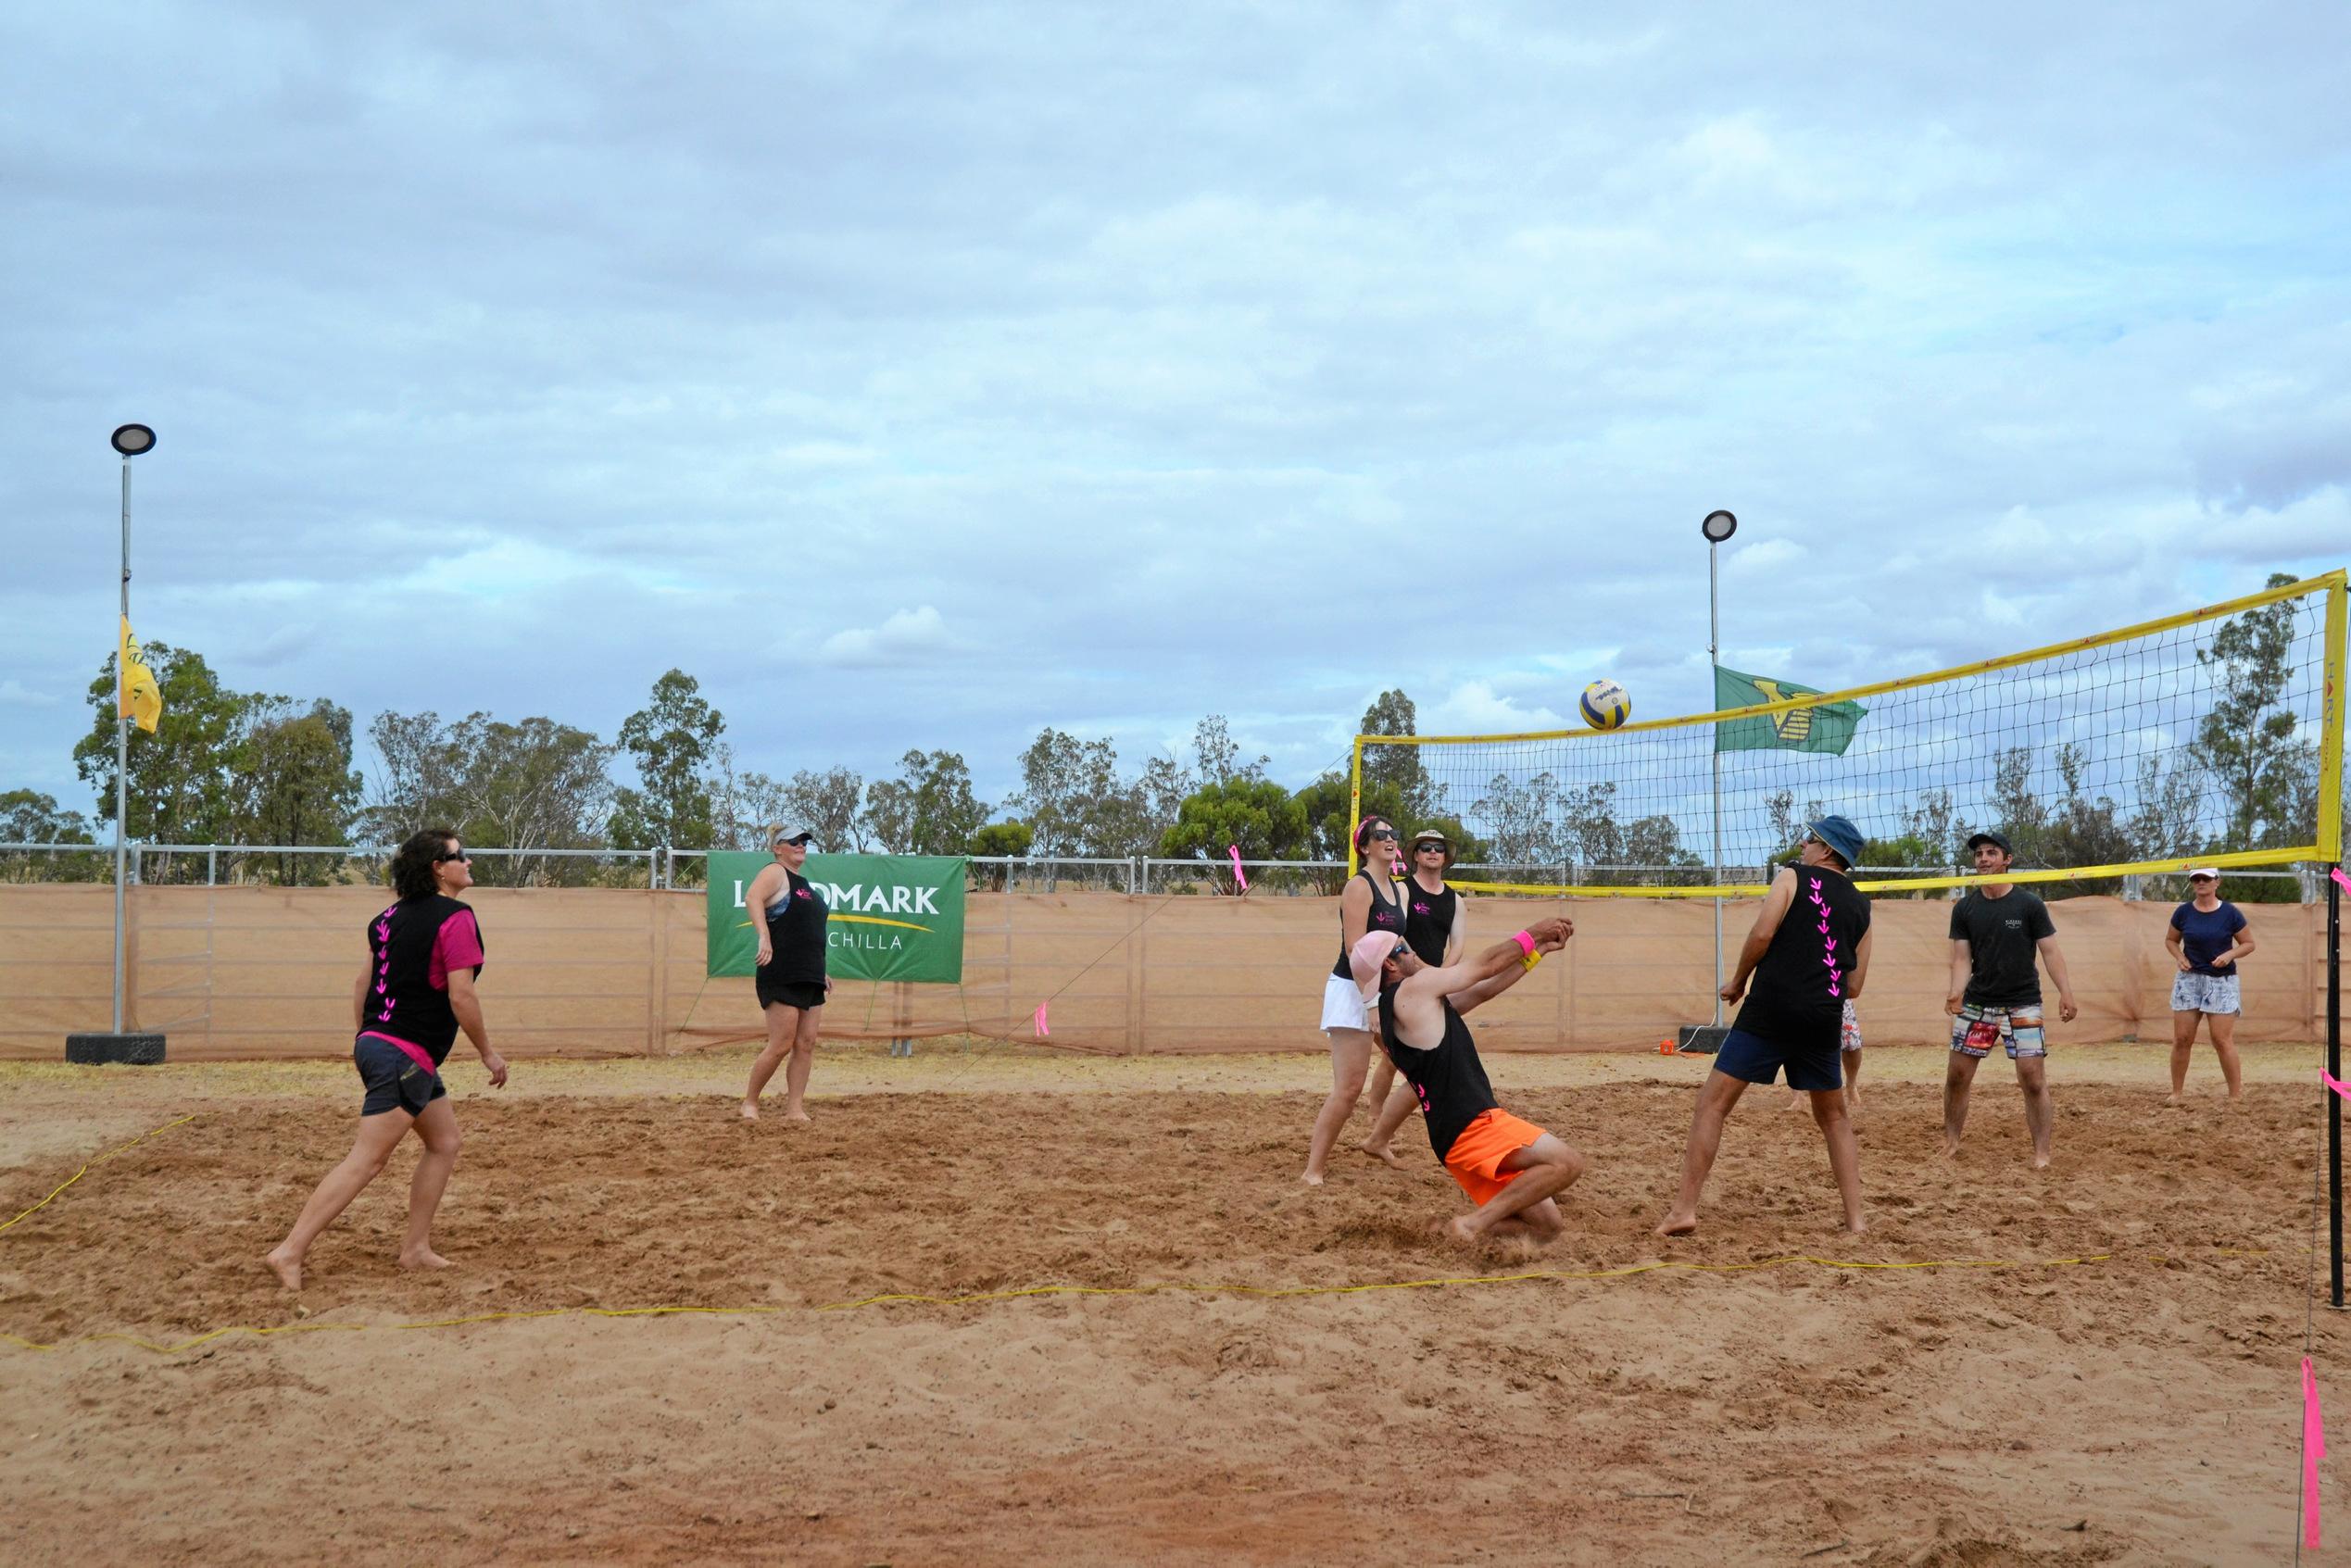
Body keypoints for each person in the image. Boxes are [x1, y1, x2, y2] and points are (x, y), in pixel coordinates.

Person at [266, 829, 507, 1291]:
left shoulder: (386, 918)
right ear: (439, 866)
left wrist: (365, 1039)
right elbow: (462, 994)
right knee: (368, 1160)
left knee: (445, 1142)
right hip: (404, 1052)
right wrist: (487, 1053)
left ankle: (415, 1249)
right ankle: (289, 1251)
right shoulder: (456, 917)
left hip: (384, 1045)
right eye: (462, 856)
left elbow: (362, 984)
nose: (469, 863)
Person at [1657, 816, 1873, 1237]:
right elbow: (1855, 985)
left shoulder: (1793, 877)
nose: (1802, 846)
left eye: (1809, 840)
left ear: (1826, 850)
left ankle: (1684, 1210)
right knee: (1834, 1120)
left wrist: (1738, 981)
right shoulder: (1863, 905)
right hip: (1823, 1017)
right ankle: (1857, 1221)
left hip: (1772, 1008)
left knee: (1712, 1105)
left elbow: (1761, 934)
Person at [1355, 916, 1587, 1244]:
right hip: (1474, 1123)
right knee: (1567, 1162)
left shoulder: (1403, 1010)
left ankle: (1447, 1230)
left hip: (1451, 1139)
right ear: (1390, 963)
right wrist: (1534, 932)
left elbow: (1482, 991)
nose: (1414, 952)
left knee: (1547, 1228)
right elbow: (1487, 965)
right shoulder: (1413, 989)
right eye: (1405, 948)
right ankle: (1472, 1225)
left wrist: (1539, 951)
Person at [1943, 831, 2079, 1169]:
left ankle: (2042, 1153)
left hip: (2023, 1002)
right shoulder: (1965, 908)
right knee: (1957, 1076)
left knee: (2032, 1079)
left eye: (1991, 853)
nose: (1984, 859)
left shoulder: (2029, 904)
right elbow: (1962, 958)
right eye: (1979, 854)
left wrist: (2066, 992)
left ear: (2007, 860)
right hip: (1978, 1004)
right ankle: (1951, 1142)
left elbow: (2050, 951)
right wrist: (1956, 991)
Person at [1303, 814, 1410, 1185]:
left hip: (1382, 990)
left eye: (1393, 833)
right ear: (1364, 847)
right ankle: (1313, 1170)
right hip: (1352, 989)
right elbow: (1356, 952)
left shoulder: (1400, 890)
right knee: (1348, 1089)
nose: (1390, 838)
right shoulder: (1359, 887)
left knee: (1411, 1063)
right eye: (1380, 835)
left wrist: (1428, 976)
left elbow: (1399, 947)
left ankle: (1377, 1139)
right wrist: (1369, 1006)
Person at [1359, 827, 1465, 1163]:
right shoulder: (1403, 890)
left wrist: (1440, 978)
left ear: (1445, 857)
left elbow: (1458, 945)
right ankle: (1376, 1121)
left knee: (1412, 1059)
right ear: (1415, 856)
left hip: (1433, 984)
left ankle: (1379, 1130)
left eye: (1438, 848)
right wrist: (1418, 970)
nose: (1433, 852)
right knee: (1396, 1059)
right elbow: (1395, 935)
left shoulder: (1455, 900)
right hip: (1400, 981)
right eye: (1425, 848)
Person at [743, 823, 833, 1122]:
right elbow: (752, 898)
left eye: (804, 840)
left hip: (810, 973)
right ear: (777, 848)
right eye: (793, 841)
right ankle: (750, 1103)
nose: (801, 844)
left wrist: (822, 970)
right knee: (781, 1043)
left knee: (805, 1044)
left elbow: (807, 932)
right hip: (780, 970)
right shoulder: (774, 872)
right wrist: (764, 937)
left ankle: (794, 1108)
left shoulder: (803, 883)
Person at [2165, 868, 2254, 1105]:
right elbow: (2171, 940)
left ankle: (2235, 1095)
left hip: (2221, 981)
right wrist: (2179, 957)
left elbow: (2248, 944)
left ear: (2217, 882)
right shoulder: (2183, 912)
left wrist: (2229, 955)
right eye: (2196, 879)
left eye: (2206, 878)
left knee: (2221, 1039)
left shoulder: (2230, 913)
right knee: (2182, 1038)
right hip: (2190, 980)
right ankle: (2177, 1093)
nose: (2201, 882)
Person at [1786, 999, 1864, 1119]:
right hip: (1797, 990)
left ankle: (1851, 1085)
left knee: (1851, 1041)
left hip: (1833, 989)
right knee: (1792, 1038)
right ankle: (1798, 1096)